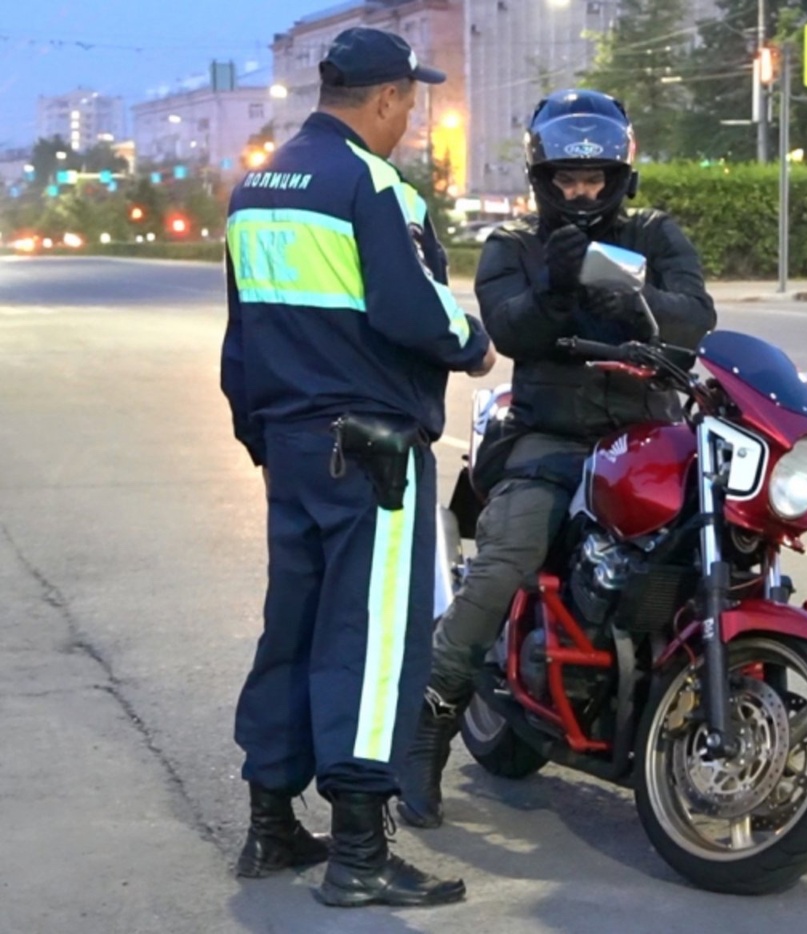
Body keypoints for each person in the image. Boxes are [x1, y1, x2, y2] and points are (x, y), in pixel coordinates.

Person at [220, 26, 496, 909]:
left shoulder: (256, 186)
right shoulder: (372, 187)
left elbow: (242, 335)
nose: (410, 121)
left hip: (291, 446)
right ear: (385, 99)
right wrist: (475, 345)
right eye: (410, 104)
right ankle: (358, 855)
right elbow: (415, 311)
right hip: (371, 451)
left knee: (292, 629)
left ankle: (271, 825)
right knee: (375, 644)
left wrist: (263, 435)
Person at [396, 88, 716, 829]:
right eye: (569, 179)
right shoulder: (514, 244)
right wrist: (557, 289)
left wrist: (632, 305)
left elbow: (697, 316)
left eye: (595, 178)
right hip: (552, 436)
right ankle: (427, 729)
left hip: (648, 431)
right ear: (545, 178)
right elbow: (509, 331)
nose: (582, 191)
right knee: (506, 559)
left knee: (716, 533)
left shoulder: (657, 236)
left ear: (618, 176)